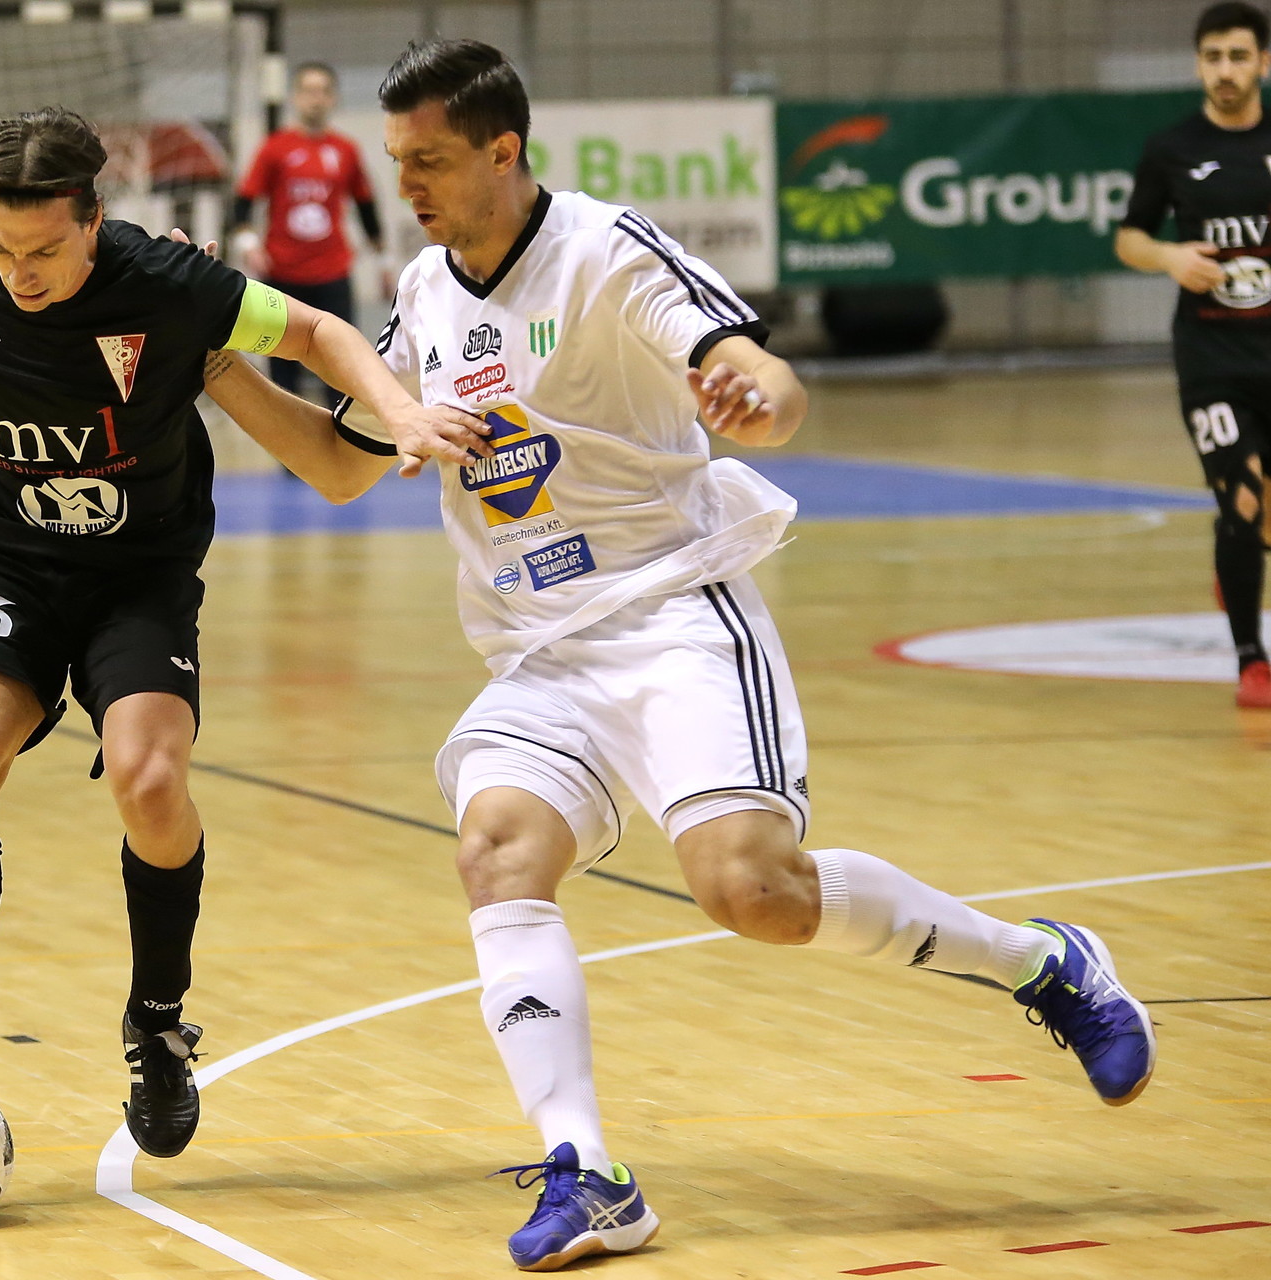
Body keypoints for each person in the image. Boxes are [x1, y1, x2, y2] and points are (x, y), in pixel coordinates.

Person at [199, 41, 1159, 1272]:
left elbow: (749, 367)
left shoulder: (604, 248)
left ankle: (1045, 961)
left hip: (672, 615)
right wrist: (219, 367)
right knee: (497, 846)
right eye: (399, 163)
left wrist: (758, 393)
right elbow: (341, 463)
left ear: (505, 149)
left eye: (431, 160)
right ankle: (589, 1170)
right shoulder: (426, 295)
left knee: (753, 891)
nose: (411, 186)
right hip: (538, 655)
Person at [0, 108, 488, 1165]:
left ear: (95, 220)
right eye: (1, 246)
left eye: (45, 249)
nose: (19, 272)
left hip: (139, 574)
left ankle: (157, 1023)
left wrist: (398, 406)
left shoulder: (167, 283)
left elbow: (321, 334)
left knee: (151, 782)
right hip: (9, 557)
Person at [1117, 1, 1271, 709]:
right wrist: (1172, 256)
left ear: (1263, 62)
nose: (1226, 71)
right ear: (1198, 65)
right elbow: (1130, 238)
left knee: (1251, 516)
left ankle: (1234, 556)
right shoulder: (1172, 147)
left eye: (1239, 57)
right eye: (1213, 58)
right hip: (1212, 359)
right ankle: (1251, 659)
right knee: (1249, 494)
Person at [231, 61, 394, 407]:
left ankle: (342, 449)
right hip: (282, 276)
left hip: (332, 274)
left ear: (333, 98)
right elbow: (244, 203)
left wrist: (384, 262)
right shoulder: (275, 148)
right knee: (283, 373)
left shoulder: (345, 150)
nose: (315, 99)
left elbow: (366, 209)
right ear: (294, 97)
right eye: (308, 91)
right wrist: (248, 243)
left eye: (323, 91)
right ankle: (291, 458)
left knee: (340, 367)